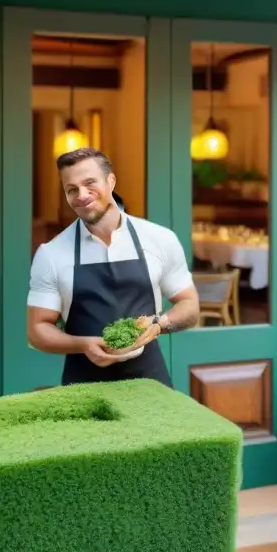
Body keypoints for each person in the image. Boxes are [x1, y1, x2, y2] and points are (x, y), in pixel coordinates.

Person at [26, 148, 199, 386]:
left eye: (90, 183)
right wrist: (84, 344)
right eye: (72, 189)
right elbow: (37, 329)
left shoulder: (159, 239)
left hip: (149, 383)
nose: (82, 195)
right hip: (84, 386)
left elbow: (190, 306)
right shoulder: (51, 254)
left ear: (111, 181)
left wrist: (159, 325)